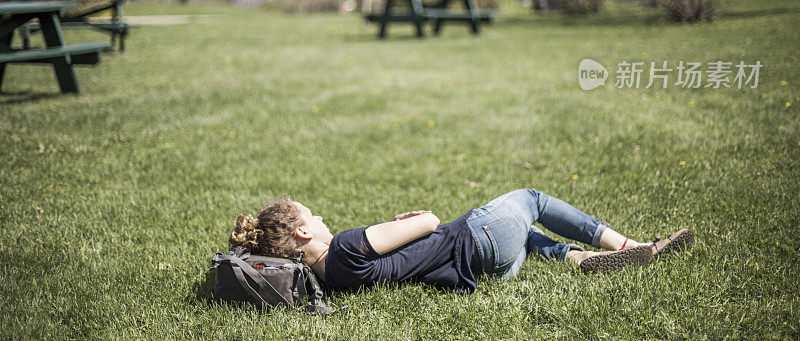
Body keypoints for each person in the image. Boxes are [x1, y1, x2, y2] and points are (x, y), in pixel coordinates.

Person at [229, 189, 694, 293]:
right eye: (314, 216)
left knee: (529, 237)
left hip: (481, 267)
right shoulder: (346, 247)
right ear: (302, 232)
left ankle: (576, 259)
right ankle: (628, 246)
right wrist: (415, 217)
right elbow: (430, 221)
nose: (323, 216)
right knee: (530, 198)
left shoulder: (324, 277)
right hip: (478, 238)